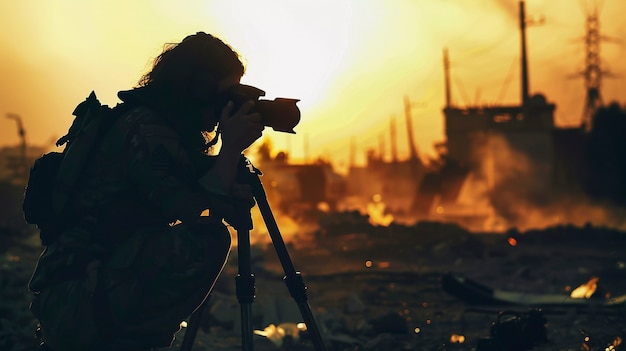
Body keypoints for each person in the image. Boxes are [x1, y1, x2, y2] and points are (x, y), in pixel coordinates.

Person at [28, 32, 265, 351]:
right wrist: (231, 148)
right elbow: (188, 207)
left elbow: (200, 196)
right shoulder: (144, 128)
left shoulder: (163, 130)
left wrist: (226, 178)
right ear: (198, 86)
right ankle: (127, 339)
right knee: (209, 239)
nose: (228, 105)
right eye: (225, 93)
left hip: (85, 288)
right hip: (80, 295)